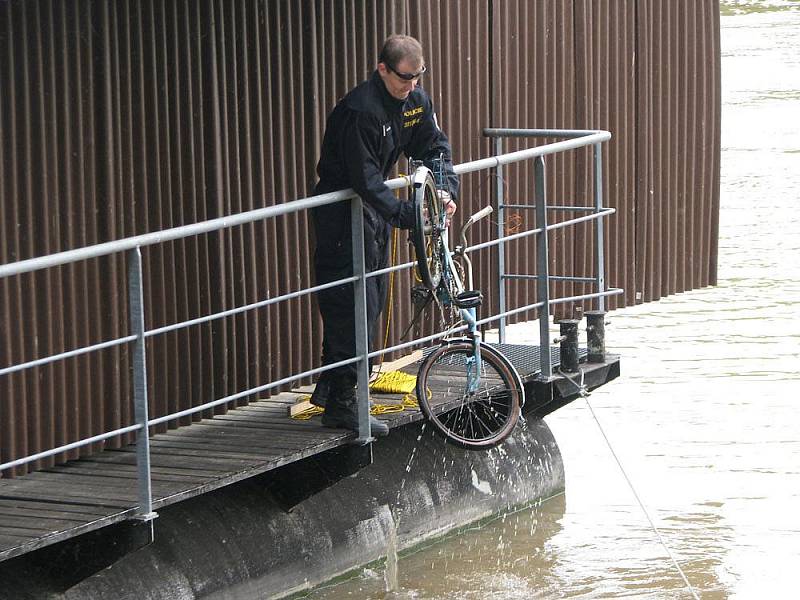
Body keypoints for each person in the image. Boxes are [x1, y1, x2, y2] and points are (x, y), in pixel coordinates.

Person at [310, 34, 458, 437]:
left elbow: (434, 147)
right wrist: (406, 214)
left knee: (370, 299)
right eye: (402, 79)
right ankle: (342, 404)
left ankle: (329, 388)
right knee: (352, 303)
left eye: (416, 78)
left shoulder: (415, 102)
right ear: (382, 70)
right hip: (342, 213)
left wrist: (443, 190)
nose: (409, 87)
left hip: (372, 213)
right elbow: (365, 178)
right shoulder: (361, 110)